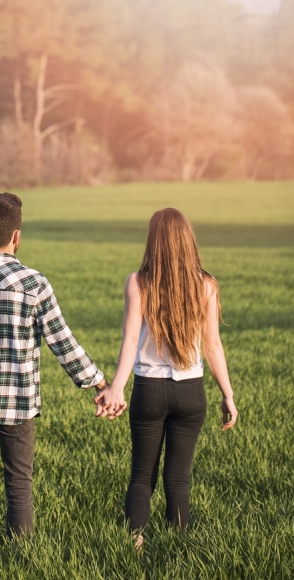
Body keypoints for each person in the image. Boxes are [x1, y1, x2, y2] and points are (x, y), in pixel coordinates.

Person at [0, 192, 119, 542]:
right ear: (17, 236)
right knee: (19, 483)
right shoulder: (34, 284)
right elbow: (63, 343)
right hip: (18, 402)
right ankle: (21, 554)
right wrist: (99, 383)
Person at [95, 207, 238, 547]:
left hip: (149, 390)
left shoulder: (139, 281)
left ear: (153, 242)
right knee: (179, 479)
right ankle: (178, 548)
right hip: (191, 393)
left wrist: (116, 387)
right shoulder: (206, 284)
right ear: (188, 240)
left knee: (142, 476)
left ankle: (135, 543)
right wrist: (228, 395)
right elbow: (213, 345)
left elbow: (130, 338)